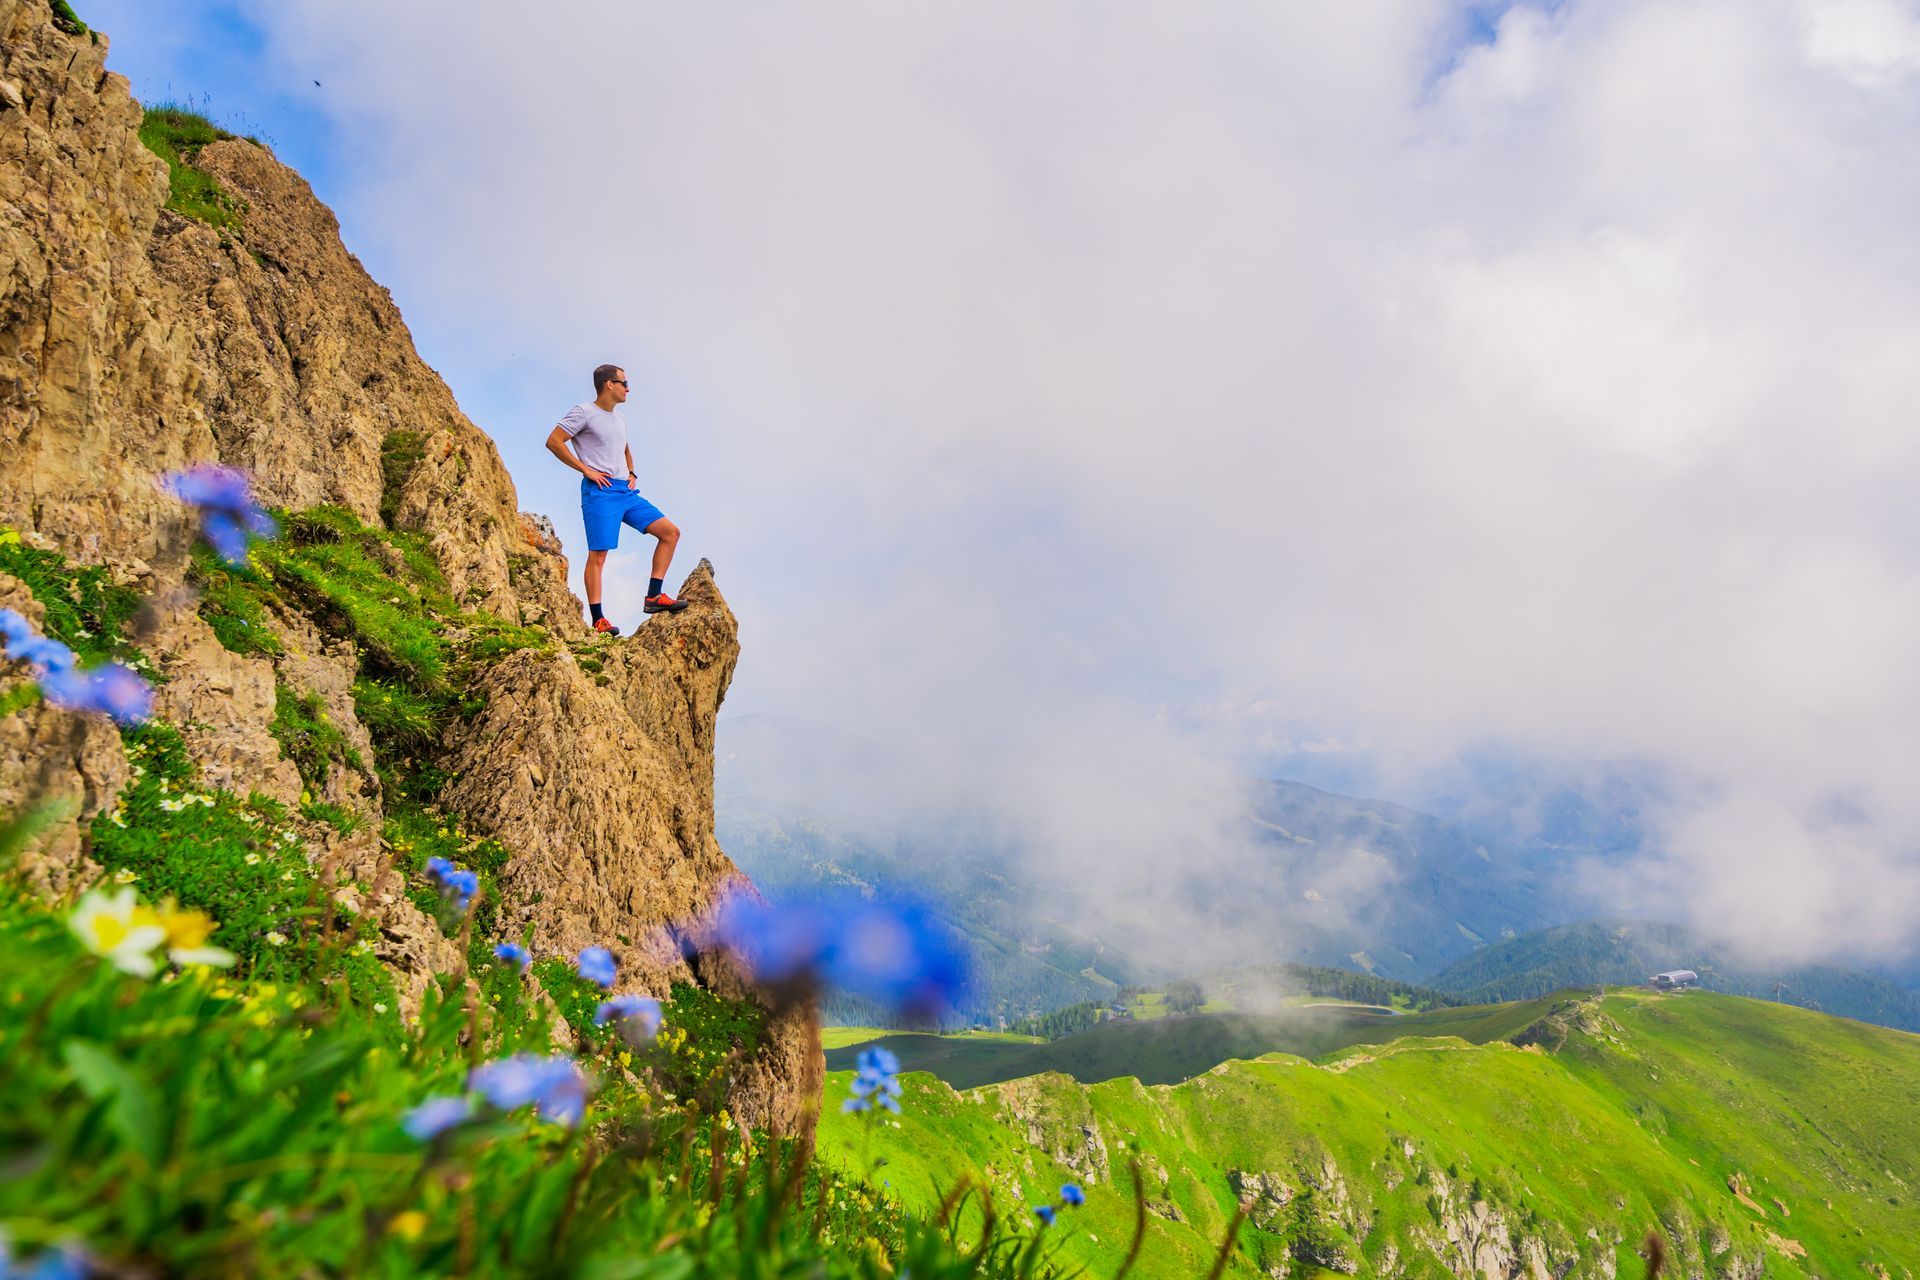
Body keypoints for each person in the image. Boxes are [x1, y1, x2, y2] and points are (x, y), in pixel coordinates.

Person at [545, 363, 688, 635]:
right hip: (600, 492)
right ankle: (599, 620)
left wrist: (631, 470)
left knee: (670, 533)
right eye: (624, 383)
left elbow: (624, 448)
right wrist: (585, 469)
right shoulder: (584, 412)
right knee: (598, 556)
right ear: (608, 384)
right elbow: (554, 441)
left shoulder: (618, 419)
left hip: (626, 492)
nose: (628, 388)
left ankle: (654, 597)